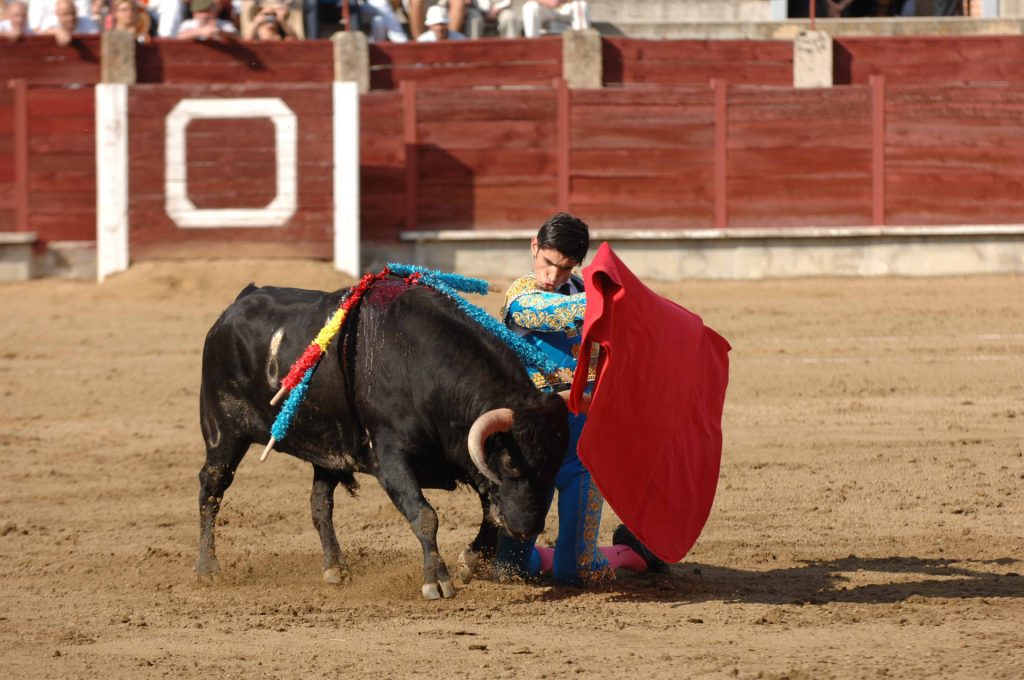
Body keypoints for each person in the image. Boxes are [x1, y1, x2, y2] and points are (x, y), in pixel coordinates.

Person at [492, 212, 665, 587]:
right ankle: (559, 556)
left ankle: (631, 553)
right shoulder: (520, 296)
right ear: (534, 247)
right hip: (531, 448)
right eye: (548, 263)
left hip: (580, 448)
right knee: (508, 570)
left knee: (578, 572)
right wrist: (607, 300)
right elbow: (551, 313)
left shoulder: (584, 292)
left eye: (565, 267)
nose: (552, 276)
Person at [520, 0, 587, 39]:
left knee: (581, 5)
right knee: (529, 7)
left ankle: (582, 43)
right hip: (544, 7)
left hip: (566, 6)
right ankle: (532, 43)